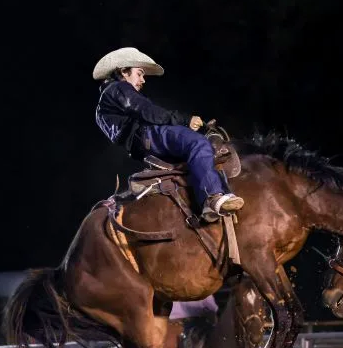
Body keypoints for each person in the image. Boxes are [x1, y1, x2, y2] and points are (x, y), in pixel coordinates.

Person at [92, 46, 244, 223]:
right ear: (124, 72)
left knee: (195, 156)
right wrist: (184, 120)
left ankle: (214, 197)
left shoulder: (106, 102)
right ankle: (212, 198)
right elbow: (147, 111)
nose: (142, 80)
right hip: (148, 134)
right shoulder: (118, 88)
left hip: (142, 143)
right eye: (139, 73)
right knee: (198, 143)